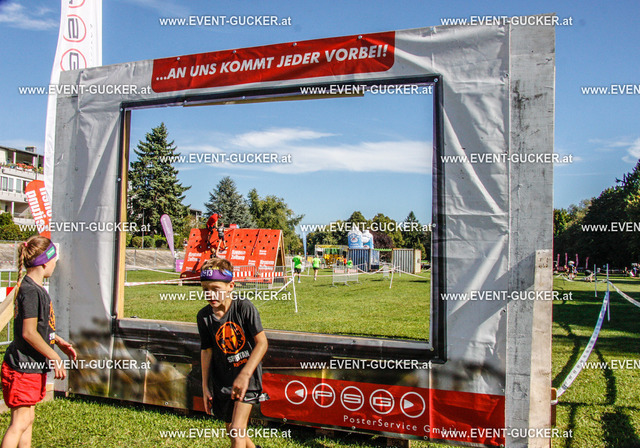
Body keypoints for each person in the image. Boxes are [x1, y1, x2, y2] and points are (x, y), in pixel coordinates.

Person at [1, 236, 76, 448]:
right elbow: (28, 333)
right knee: (20, 422)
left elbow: (38, 327)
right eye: (54, 260)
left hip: (31, 367)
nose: (55, 265)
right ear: (44, 262)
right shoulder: (30, 291)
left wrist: (56, 340)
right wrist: (55, 357)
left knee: (28, 420)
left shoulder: (33, 288)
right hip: (22, 368)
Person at [197, 258, 268, 448]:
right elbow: (206, 350)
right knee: (231, 429)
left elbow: (262, 343)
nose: (210, 294)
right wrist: (205, 385)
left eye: (216, 288)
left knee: (237, 430)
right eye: (205, 289)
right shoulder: (204, 317)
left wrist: (245, 375)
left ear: (231, 286)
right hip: (223, 380)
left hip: (247, 378)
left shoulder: (244, 307)